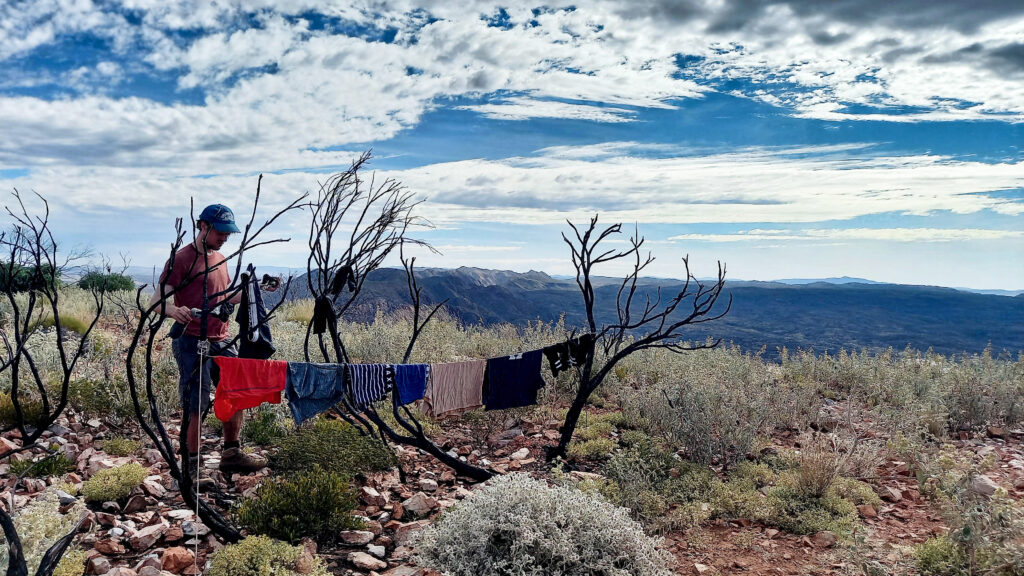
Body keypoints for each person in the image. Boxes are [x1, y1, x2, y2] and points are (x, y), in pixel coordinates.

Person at [151, 204, 270, 481]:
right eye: (220, 231)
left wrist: (256, 289)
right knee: (197, 404)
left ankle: (231, 455)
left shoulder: (222, 259)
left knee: (235, 394)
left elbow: (224, 298)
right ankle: (191, 470)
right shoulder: (181, 259)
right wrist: (173, 311)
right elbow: (158, 300)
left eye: (228, 233)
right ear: (202, 226)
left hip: (223, 338)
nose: (224, 237)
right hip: (192, 341)